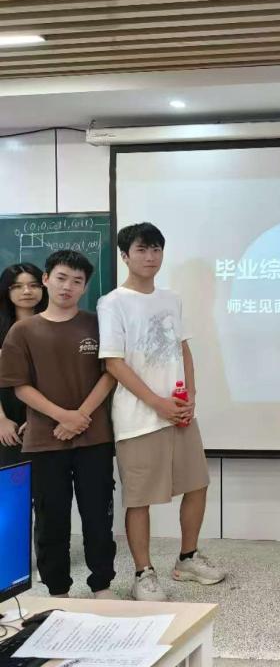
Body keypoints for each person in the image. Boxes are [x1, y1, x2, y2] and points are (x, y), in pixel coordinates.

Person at [98, 222, 225, 602]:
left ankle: (187, 558)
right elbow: (113, 363)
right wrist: (157, 403)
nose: (150, 257)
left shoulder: (171, 299)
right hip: (139, 418)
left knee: (197, 484)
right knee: (139, 499)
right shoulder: (113, 302)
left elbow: (182, 348)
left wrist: (191, 397)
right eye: (142, 249)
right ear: (125, 255)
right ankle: (143, 573)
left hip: (180, 412)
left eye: (156, 249)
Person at [0, 250, 116, 599]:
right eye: (61, 278)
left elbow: (111, 373)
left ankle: (102, 584)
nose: (68, 287)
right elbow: (20, 386)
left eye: (77, 281)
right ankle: (58, 589)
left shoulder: (97, 324)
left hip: (94, 437)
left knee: (98, 514)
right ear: (47, 279)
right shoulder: (23, 330)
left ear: (85, 287)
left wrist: (80, 416)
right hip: (44, 439)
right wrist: (64, 416)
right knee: (51, 518)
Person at [0, 263, 47, 466]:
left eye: (34, 285)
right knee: (12, 480)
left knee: (45, 481)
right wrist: (1, 420)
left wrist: (41, 417)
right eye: (17, 286)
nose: (27, 291)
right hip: (7, 417)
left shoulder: (56, 325)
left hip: (48, 415)